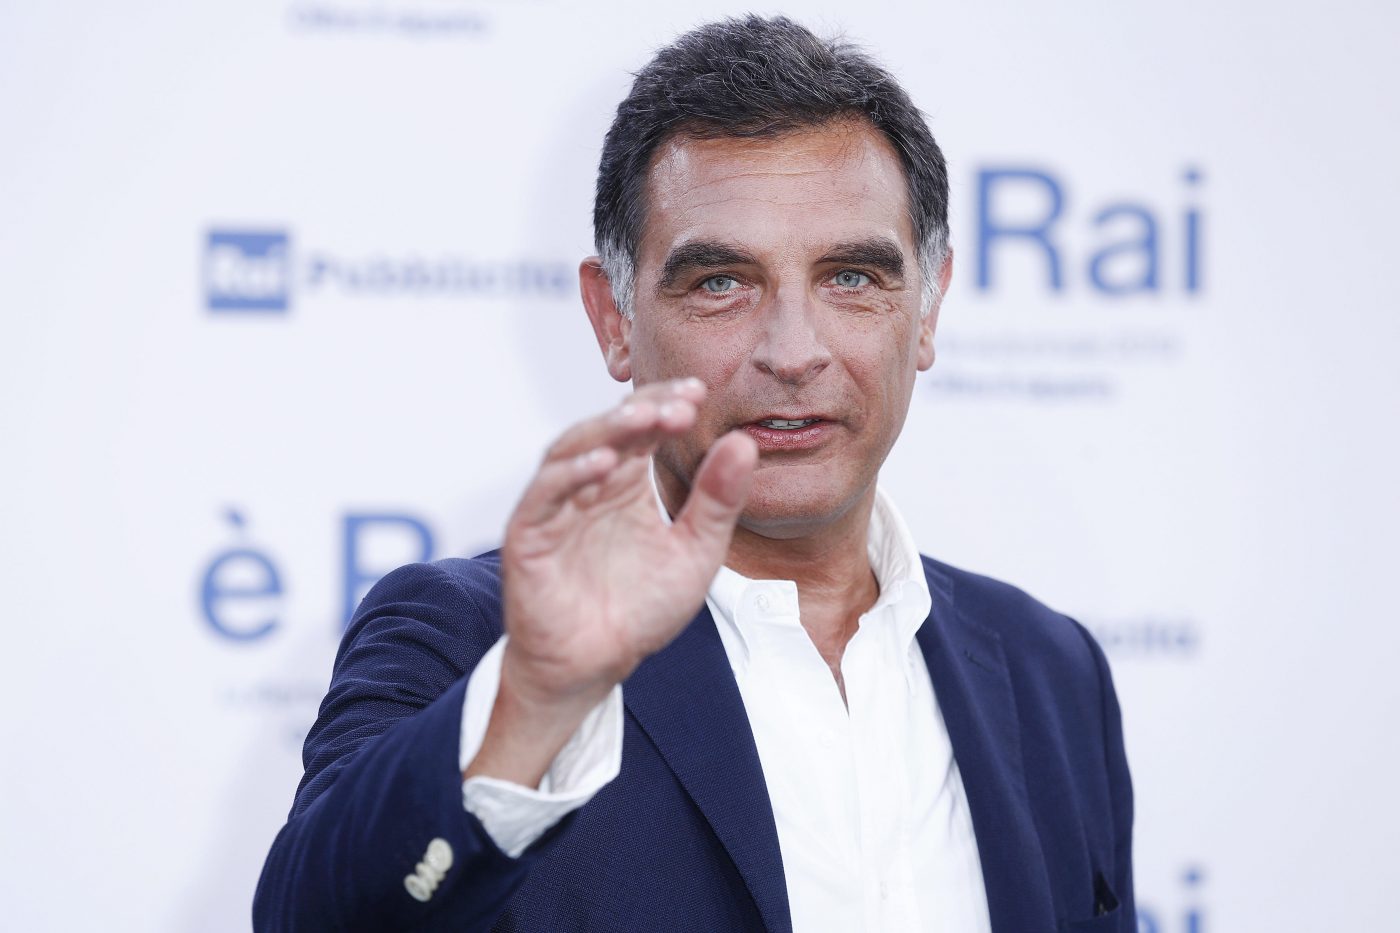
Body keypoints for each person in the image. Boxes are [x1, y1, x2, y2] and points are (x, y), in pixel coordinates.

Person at [254, 14, 1134, 933]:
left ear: (928, 307)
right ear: (615, 318)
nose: (792, 352)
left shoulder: (1051, 670)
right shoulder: (474, 642)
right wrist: (533, 703)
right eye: (721, 283)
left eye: (850, 277)